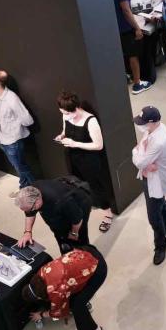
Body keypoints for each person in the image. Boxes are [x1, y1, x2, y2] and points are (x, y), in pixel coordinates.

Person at [21, 245, 108, 330]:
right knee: (71, 291)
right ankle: (85, 304)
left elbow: (58, 312)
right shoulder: (41, 272)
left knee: (77, 305)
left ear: (39, 298)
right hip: (86, 253)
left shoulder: (55, 292)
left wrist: (41, 314)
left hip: (98, 269)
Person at [55, 91, 116, 232]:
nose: (65, 116)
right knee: (76, 183)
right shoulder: (66, 115)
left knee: (96, 186)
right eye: (63, 113)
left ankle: (107, 214)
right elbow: (65, 130)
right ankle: (86, 204)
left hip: (88, 159)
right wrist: (61, 136)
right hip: (73, 156)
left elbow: (98, 145)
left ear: (76, 108)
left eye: (67, 113)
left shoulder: (90, 121)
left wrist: (75, 143)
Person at [131, 106, 166, 265]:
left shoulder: (159, 141)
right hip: (152, 178)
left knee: (154, 217)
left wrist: (135, 151)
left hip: (155, 182)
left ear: (152, 122)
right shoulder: (156, 128)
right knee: (162, 206)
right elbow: (144, 155)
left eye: (143, 123)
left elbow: (139, 162)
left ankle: (160, 246)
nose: (141, 126)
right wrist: (144, 158)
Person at [0, 70, 35, 196]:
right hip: (1, 138)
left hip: (13, 141)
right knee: (19, 167)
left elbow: (27, 120)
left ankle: (35, 192)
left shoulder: (11, 98)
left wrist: (15, 125)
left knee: (22, 168)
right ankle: (25, 188)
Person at [14, 179, 92, 254]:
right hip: (59, 205)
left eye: (30, 209)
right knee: (60, 233)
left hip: (79, 204)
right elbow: (30, 213)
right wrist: (27, 232)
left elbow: (77, 220)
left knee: (79, 236)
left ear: (37, 201)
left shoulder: (62, 200)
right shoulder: (29, 193)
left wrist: (74, 233)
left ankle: (85, 254)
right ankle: (66, 254)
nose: (29, 211)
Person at [109, 0, 151, 95]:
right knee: (133, 55)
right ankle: (137, 84)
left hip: (113, 27)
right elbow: (126, 10)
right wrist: (137, 28)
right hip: (125, 27)